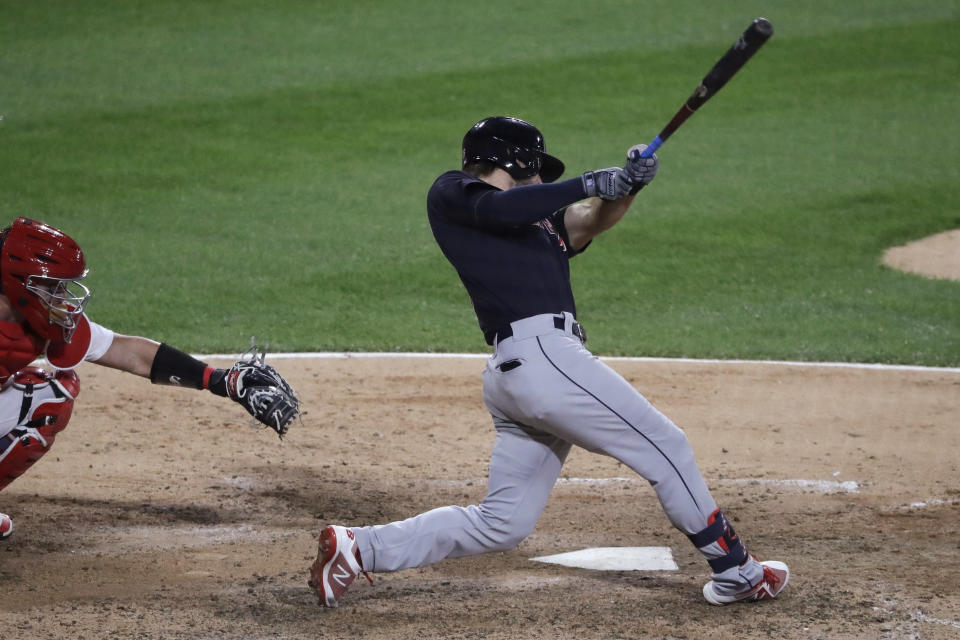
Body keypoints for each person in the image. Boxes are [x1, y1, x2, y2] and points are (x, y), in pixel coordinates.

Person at [307, 116, 789, 607]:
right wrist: (584, 181)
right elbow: (502, 207)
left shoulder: (536, 221)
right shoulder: (455, 194)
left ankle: (358, 548)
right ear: (515, 161)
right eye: (537, 169)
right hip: (543, 360)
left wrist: (626, 188)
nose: (541, 179)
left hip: (525, 374)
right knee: (667, 446)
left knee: (503, 524)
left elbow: (589, 219)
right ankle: (739, 573)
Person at [0, 217, 298, 540]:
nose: (62, 298)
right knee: (43, 398)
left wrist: (217, 379)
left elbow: (127, 351)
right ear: (19, 285)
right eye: (52, 288)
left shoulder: (43, 322)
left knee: (50, 396)